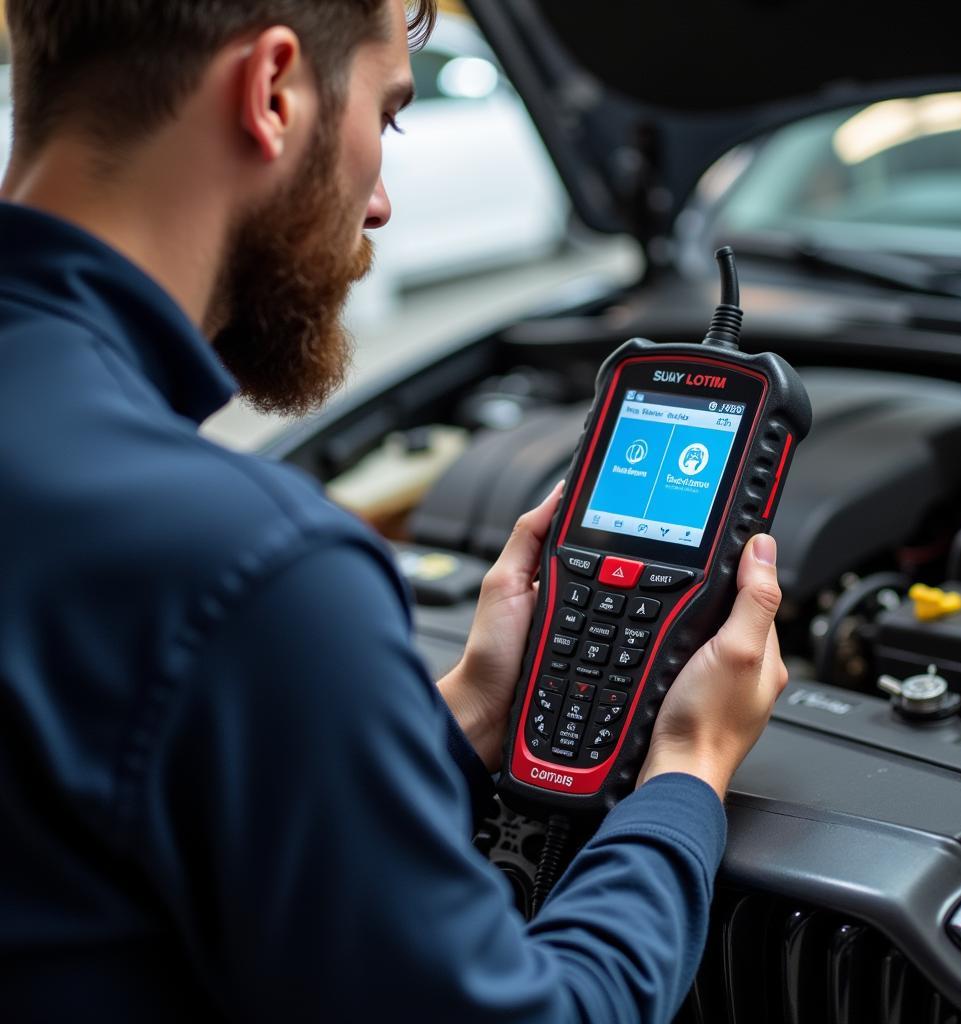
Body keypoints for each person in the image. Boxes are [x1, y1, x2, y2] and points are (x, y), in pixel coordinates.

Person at [0, 1, 788, 1020]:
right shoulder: (248, 567)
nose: (378, 202)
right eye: (388, 115)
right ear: (272, 90)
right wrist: (687, 772)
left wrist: (470, 708)